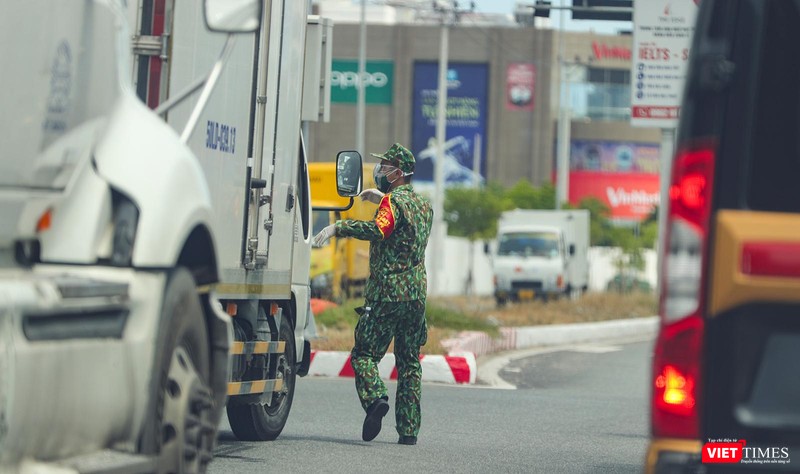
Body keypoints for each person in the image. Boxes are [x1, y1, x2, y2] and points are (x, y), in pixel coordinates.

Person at [312, 143, 433, 446]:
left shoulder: (392, 203)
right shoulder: (424, 206)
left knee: (364, 355)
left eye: (385, 166)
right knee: (409, 363)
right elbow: (405, 224)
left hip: (387, 295)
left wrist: (341, 227)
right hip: (416, 295)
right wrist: (383, 200)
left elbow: (380, 230)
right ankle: (408, 431)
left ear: (397, 172)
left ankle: (376, 398)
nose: (380, 170)